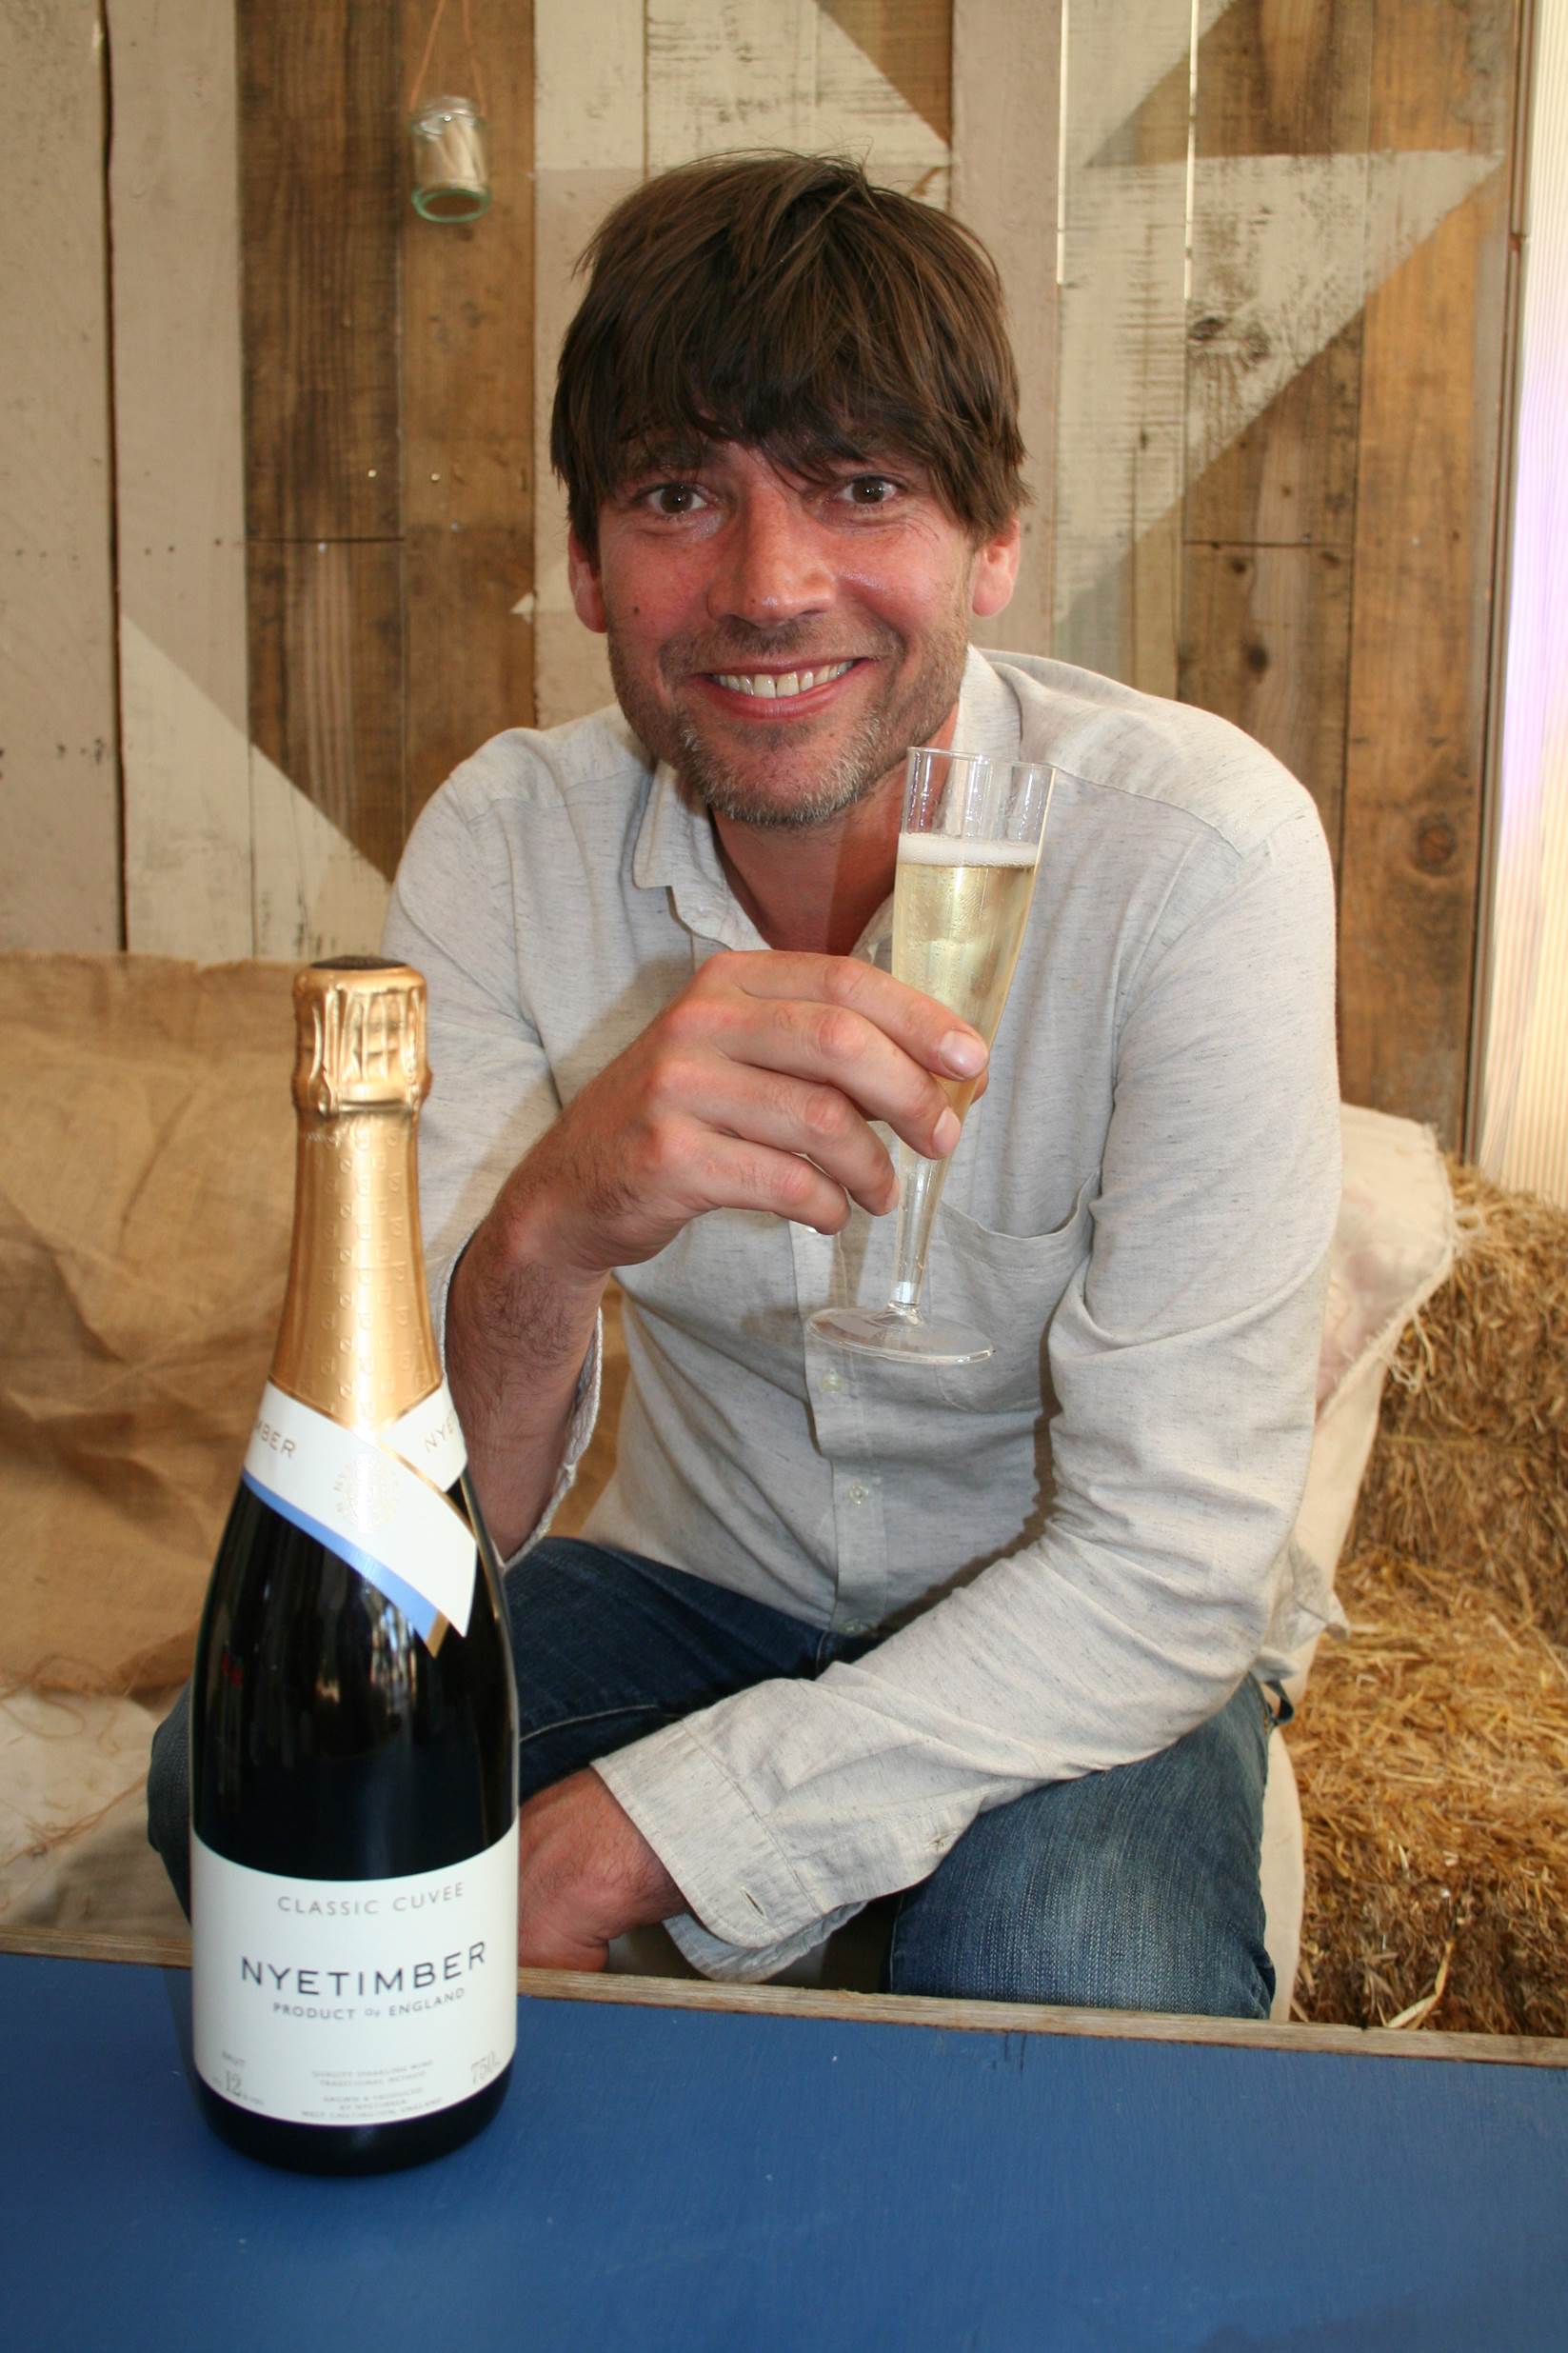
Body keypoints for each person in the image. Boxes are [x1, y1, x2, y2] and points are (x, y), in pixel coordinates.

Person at [151, 152, 1340, 2013]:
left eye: (859, 488)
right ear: (585, 563)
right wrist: (546, 1234)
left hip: (1068, 1629)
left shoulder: (1197, 861)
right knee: (252, 1789)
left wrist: (638, 1833)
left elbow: (1166, 1566)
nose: (768, 586)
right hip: (702, 1587)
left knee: (1057, 1960)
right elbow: (426, 1536)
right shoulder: (502, 840)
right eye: (678, 495)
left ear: (992, 541)